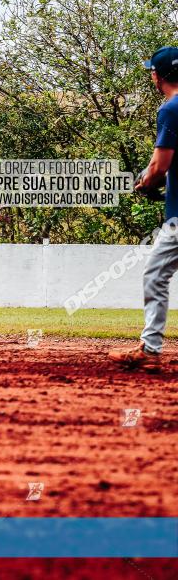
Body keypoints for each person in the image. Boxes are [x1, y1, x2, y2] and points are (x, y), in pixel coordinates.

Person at [108, 46, 178, 371]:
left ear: (157, 75)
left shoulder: (170, 109)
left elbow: (161, 166)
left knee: (155, 275)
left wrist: (146, 182)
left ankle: (149, 350)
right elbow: (159, 157)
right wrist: (151, 173)